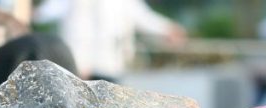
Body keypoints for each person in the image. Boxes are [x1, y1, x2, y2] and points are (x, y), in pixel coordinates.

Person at [35, 0, 185, 82]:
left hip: (109, 63)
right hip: (78, 66)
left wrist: (167, 28)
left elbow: (142, 16)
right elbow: (50, 10)